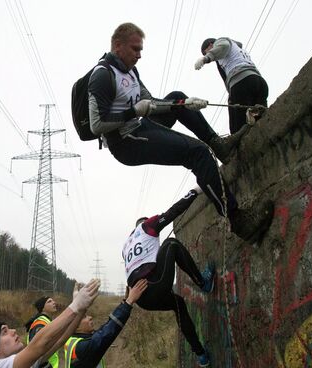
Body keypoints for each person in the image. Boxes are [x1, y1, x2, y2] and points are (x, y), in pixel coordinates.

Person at [88, 22, 273, 243]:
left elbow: (152, 102)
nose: (139, 56)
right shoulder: (102, 75)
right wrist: (132, 111)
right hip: (125, 141)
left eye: (141, 50)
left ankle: (218, 144)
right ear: (117, 46)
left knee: (177, 96)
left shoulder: (132, 72)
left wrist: (185, 104)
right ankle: (238, 220)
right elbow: (96, 124)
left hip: (140, 125)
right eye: (135, 49)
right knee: (198, 153)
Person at [122, 188, 218, 367]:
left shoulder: (126, 245)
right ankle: (203, 283)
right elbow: (172, 212)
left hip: (141, 299)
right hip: (153, 285)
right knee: (171, 244)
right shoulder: (147, 226)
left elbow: (135, 270)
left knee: (178, 304)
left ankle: (202, 356)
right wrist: (194, 192)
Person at [0, 279, 101, 368]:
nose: (13, 331)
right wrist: (75, 305)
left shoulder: (24, 362)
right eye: (5, 332)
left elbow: (61, 340)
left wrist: (81, 307)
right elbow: (38, 344)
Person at [63, 279, 149, 368]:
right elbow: (107, 333)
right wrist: (129, 302)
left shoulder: (73, 341)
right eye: (84, 317)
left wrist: (125, 302)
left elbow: (106, 327)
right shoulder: (81, 347)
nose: (90, 317)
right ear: (75, 327)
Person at [195, 37, 269, 134]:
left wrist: (206, 58)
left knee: (236, 127)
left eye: (206, 51)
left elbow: (223, 46)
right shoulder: (238, 50)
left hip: (242, 82)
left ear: (210, 45)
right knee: (261, 117)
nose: (209, 53)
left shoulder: (222, 41)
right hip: (259, 82)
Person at [24, 296, 60, 367]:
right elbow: (37, 350)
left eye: (53, 301)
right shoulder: (40, 323)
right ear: (42, 308)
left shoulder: (47, 321)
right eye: (49, 301)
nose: (54, 302)